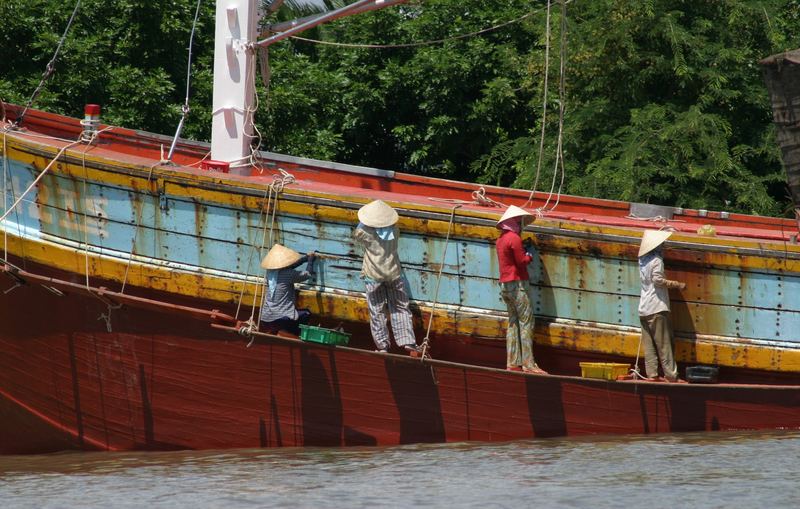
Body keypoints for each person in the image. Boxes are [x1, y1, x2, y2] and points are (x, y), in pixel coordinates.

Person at [353, 199, 419, 354]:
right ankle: (408, 342)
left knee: (377, 310)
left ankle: (383, 346)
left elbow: (357, 234)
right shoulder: (395, 230)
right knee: (400, 307)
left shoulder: (364, 232)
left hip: (373, 275)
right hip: (394, 273)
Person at [495, 205, 546, 374]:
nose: (521, 224)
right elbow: (522, 261)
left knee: (512, 322)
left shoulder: (501, 239)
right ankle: (528, 364)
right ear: (514, 222)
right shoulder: (514, 238)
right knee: (526, 322)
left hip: (505, 285)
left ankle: (512, 362)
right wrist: (530, 253)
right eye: (519, 221)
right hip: (518, 285)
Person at [637, 230, 686, 382]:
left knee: (649, 345)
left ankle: (652, 374)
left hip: (644, 308)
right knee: (664, 344)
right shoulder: (656, 260)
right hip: (656, 307)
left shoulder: (642, 261)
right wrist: (677, 284)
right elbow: (658, 280)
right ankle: (671, 375)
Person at [259, 243, 316, 337]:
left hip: (266, 319)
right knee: (306, 313)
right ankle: (295, 336)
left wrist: (304, 259)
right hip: (282, 320)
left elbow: (289, 268)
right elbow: (307, 274)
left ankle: (279, 333)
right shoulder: (288, 274)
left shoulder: (270, 273)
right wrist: (310, 260)